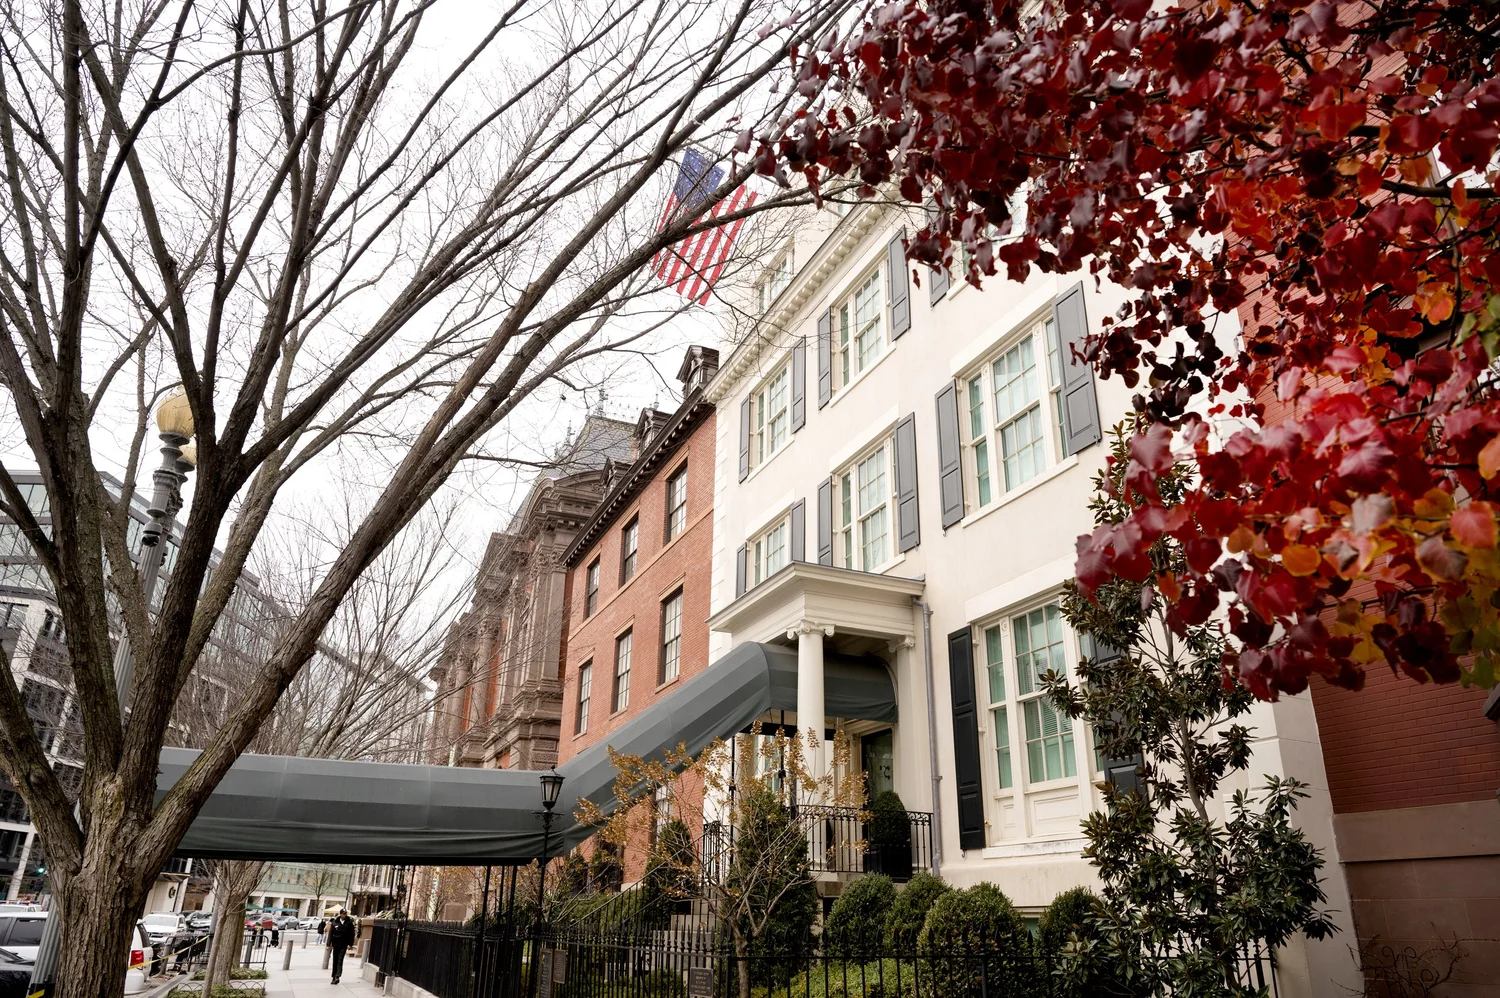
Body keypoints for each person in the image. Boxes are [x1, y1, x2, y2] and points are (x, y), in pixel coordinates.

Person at [327, 908, 357, 984]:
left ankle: (337, 976)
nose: (344, 915)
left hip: (343, 944)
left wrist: (350, 944)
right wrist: (328, 944)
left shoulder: (349, 923)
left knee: (340, 960)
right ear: (340, 914)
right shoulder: (335, 922)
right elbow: (330, 933)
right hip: (335, 944)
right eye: (343, 914)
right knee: (335, 960)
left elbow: (352, 934)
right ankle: (334, 976)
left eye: (345, 913)